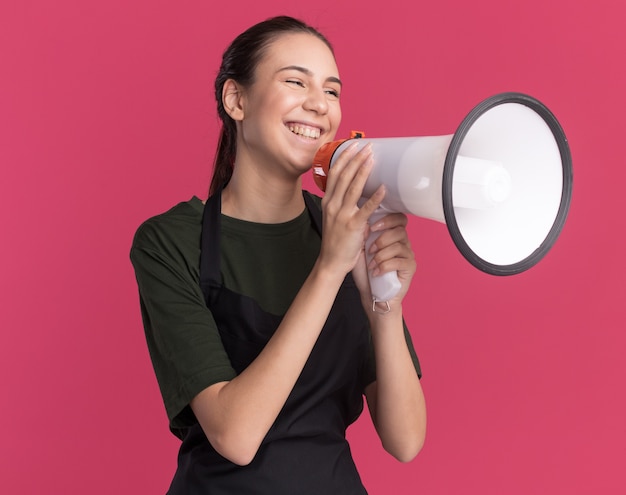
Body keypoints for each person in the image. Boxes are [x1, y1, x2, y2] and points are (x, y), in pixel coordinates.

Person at [130, 15, 426, 494]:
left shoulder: (347, 229)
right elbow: (236, 435)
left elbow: (406, 440)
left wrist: (385, 303)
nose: (319, 105)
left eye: (332, 91)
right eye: (295, 82)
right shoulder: (170, 242)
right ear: (236, 99)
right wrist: (330, 268)